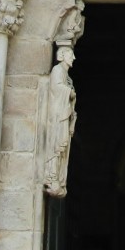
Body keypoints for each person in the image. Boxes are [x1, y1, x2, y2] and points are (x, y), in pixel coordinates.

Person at [44, 47, 76, 197]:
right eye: (71, 54)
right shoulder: (57, 70)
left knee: (61, 144)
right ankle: (51, 175)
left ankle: (57, 176)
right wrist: (69, 92)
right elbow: (56, 88)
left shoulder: (65, 74)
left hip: (63, 113)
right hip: (58, 115)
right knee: (57, 143)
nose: (74, 58)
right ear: (62, 55)